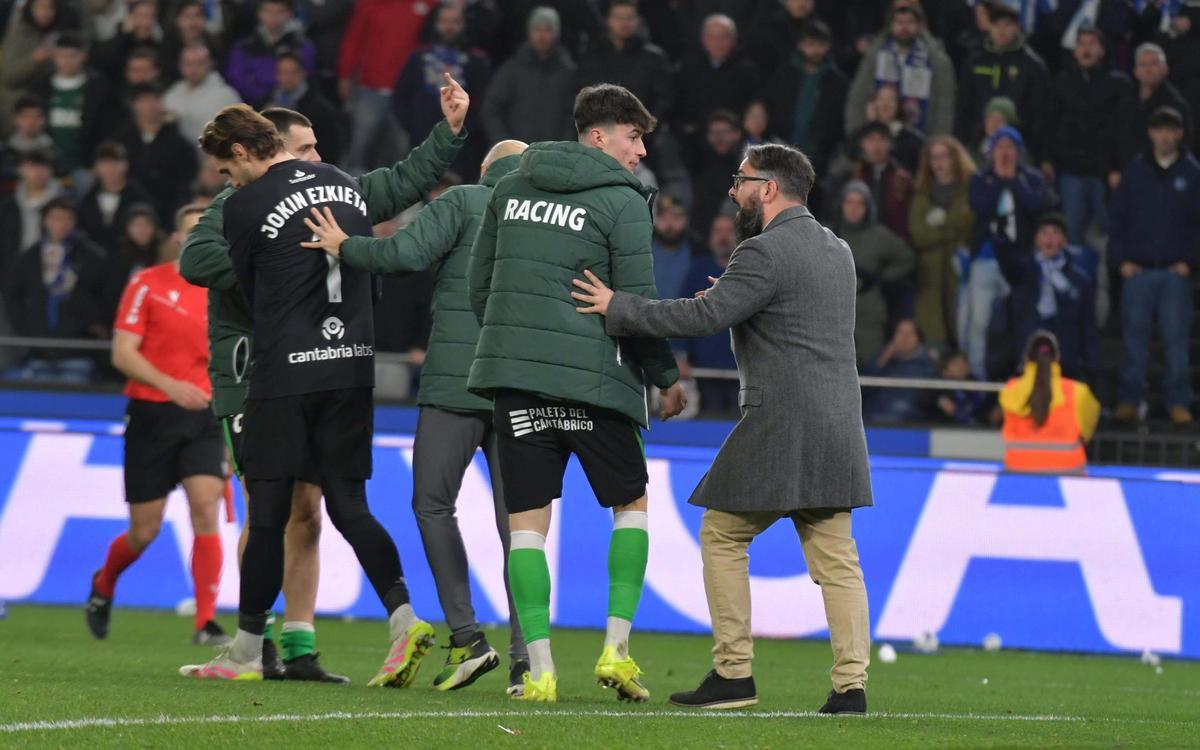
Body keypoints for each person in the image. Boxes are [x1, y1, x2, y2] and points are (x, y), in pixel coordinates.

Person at [178, 77, 469, 682]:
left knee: (275, 512)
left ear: (241, 154)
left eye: (317, 148)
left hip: (283, 369)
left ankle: (259, 651)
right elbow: (197, 261)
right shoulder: (342, 191)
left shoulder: (246, 203)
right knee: (336, 505)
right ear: (276, 142)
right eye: (306, 147)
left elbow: (256, 283)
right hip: (348, 366)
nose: (318, 158)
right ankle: (395, 618)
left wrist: (281, 270)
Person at [571, 142, 872, 714]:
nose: (733, 191)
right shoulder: (838, 250)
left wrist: (619, 305)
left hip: (781, 422)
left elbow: (701, 318)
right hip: (837, 422)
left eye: (742, 181)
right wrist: (732, 297)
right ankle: (851, 686)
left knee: (722, 534)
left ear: (770, 188)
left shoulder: (762, 252)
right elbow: (794, 320)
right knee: (837, 558)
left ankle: (734, 673)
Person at [467, 83, 686, 703]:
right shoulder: (624, 203)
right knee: (632, 505)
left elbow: (478, 290)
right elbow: (637, 306)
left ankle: (538, 671)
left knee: (528, 525)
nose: (641, 150)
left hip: (517, 382)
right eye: (633, 135)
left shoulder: (508, 189)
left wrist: (518, 339)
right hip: (595, 383)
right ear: (599, 135)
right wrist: (666, 380)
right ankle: (616, 651)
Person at [302, 139, 532, 696]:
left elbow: (402, 255)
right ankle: (530, 659)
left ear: (484, 171)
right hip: (525, 387)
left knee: (432, 503)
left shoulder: (462, 201)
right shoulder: (549, 217)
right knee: (522, 530)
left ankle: (468, 638)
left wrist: (344, 244)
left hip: (458, 379)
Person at [84, 203, 228, 645]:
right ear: (177, 238)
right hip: (151, 414)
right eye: (190, 231)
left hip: (204, 414)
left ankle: (205, 622)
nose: (196, 237)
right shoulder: (146, 284)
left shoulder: (227, 290)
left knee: (206, 508)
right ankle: (104, 583)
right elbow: (122, 353)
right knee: (144, 530)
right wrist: (171, 386)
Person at [1108, 106, 1200, 426]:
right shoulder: (1135, 171)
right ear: (1150, 133)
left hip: (1175, 272)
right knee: (1134, 339)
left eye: (1170, 130)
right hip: (1140, 271)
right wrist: (1121, 261)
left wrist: (1190, 262)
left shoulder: (1192, 172)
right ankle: (1130, 400)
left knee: (1176, 341)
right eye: (1158, 129)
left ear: (1179, 134)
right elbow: (1117, 219)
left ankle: (1178, 402)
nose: (1164, 136)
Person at [962, 125, 1049, 380]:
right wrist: (999, 179)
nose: (1004, 152)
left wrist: (1012, 180)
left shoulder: (1031, 178)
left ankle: (1022, 377)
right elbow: (980, 206)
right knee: (979, 322)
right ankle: (978, 379)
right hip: (987, 258)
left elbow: (1036, 205)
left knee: (1021, 321)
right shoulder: (980, 179)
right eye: (999, 147)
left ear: (1019, 152)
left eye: (1010, 147)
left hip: (1021, 260)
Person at [4, 197, 110, 383]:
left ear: (74, 222)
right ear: (45, 221)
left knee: (75, 408)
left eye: (66, 218)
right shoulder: (29, 257)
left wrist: (92, 323)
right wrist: (26, 329)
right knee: (37, 408)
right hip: (38, 352)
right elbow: (13, 296)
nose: (61, 224)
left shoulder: (93, 257)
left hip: (78, 351)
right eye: (56, 218)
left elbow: (105, 295)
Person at [1045, 26, 1133, 245]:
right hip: (1071, 171)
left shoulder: (1119, 84)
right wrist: (1048, 158)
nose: (1086, 49)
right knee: (1072, 233)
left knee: (1110, 235)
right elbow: (1049, 124)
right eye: (1081, 44)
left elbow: (1126, 131)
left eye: (1092, 44)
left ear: (1102, 50)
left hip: (1106, 174)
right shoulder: (1061, 82)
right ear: (1074, 51)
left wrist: (1118, 166)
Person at [996, 212, 1099, 383]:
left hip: (1066, 361)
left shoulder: (1079, 281)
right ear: (1036, 239)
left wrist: (1091, 368)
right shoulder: (1023, 271)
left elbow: (1088, 328)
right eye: (1044, 233)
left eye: (1055, 233)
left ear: (1064, 240)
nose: (1049, 239)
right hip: (1027, 356)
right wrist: (1001, 235)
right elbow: (1007, 259)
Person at [393, 2, 490, 182]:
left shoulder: (477, 61)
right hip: (422, 142)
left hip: (463, 148)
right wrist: (413, 126)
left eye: (455, 21)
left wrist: (468, 130)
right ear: (435, 23)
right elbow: (400, 97)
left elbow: (486, 103)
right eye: (444, 21)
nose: (450, 27)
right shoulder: (419, 58)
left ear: (464, 24)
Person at [956, 2, 1052, 163]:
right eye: (996, 25)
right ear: (989, 27)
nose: (1001, 31)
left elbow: (1040, 114)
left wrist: (1040, 155)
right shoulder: (974, 62)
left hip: (1019, 147)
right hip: (977, 146)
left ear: (1017, 28)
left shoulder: (1033, 66)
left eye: (1007, 25)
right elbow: (963, 106)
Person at [835, 180, 916, 366]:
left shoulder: (879, 235)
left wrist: (881, 277)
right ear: (841, 205)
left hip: (869, 316)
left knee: (870, 368)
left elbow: (907, 258)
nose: (854, 208)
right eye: (849, 202)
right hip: (835, 316)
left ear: (868, 207)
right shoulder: (827, 234)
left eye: (860, 203)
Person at [844, 4, 957, 138]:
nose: (904, 27)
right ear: (890, 25)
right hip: (876, 137)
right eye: (899, 22)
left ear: (920, 26)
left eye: (910, 22)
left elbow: (944, 105)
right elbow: (859, 95)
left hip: (920, 139)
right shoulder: (875, 55)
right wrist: (856, 134)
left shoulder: (937, 60)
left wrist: (938, 140)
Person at [1000, 330, 1100, 474]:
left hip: (1018, 475)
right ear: (1057, 357)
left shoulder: (1010, 390)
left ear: (1026, 358)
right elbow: (1086, 434)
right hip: (1069, 476)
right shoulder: (1078, 391)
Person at [762, 19, 847, 176]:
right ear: (801, 45)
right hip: (781, 151)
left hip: (819, 158)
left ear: (828, 46)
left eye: (820, 45)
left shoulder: (837, 82)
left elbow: (838, 121)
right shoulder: (784, 75)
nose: (815, 50)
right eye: (810, 44)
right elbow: (772, 108)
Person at [481, 7, 578, 144]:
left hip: (554, 157)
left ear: (556, 33)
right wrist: (504, 143)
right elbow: (491, 107)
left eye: (548, 30)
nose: (542, 35)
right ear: (529, 31)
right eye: (537, 29)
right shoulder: (513, 69)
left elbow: (574, 116)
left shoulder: (567, 72)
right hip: (517, 156)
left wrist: (564, 147)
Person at [118, 83, 198, 227]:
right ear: (134, 105)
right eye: (144, 100)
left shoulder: (178, 141)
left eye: (155, 99)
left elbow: (187, 176)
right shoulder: (124, 139)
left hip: (169, 203)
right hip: (132, 203)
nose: (151, 105)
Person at [224, 0, 316, 104]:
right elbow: (236, 78)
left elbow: (306, 78)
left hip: (295, 107)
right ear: (259, 13)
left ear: (290, 14)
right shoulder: (243, 47)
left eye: (280, 11)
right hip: (252, 108)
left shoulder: (304, 47)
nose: (274, 17)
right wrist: (265, 98)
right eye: (268, 11)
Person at [259, 51, 342, 165]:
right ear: (277, 75)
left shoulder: (320, 109)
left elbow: (330, 148)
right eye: (283, 72)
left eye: (293, 72)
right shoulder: (263, 104)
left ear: (302, 73)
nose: (288, 77)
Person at [76, 141, 153, 256]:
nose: (110, 169)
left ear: (126, 165)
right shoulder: (86, 199)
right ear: (96, 167)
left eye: (115, 163)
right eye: (104, 163)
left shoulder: (140, 197)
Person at [861, 319, 938, 424]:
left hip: (911, 424)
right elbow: (863, 388)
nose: (905, 337)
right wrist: (885, 357)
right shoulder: (881, 359)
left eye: (910, 333)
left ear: (918, 338)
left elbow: (932, 399)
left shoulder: (928, 365)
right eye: (900, 333)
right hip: (875, 420)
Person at [163, 44, 241, 145]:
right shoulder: (172, 93)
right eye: (188, 63)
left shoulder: (226, 95)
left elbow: (236, 132)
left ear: (210, 64)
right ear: (180, 66)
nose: (194, 69)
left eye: (200, 63)